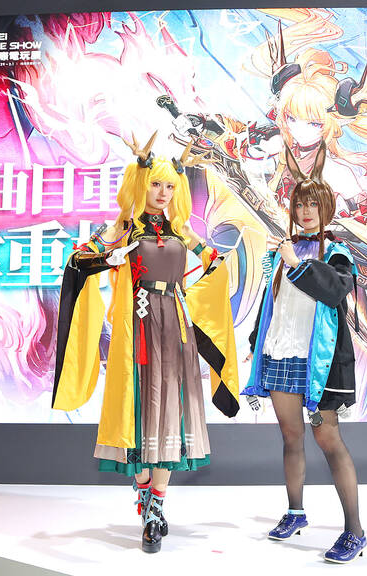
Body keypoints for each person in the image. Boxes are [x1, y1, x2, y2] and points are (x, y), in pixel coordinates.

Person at [52, 134, 239, 554]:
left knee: (171, 412)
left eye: (170, 186)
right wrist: (109, 257)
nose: (163, 193)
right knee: (138, 412)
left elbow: (215, 265)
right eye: (156, 184)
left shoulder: (181, 230)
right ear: (141, 183)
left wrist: (200, 286)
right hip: (137, 327)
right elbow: (78, 260)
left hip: (175, 325)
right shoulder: (125, 227)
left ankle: (155, 508)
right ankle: (144, 496)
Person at [242, 141, 365, 563]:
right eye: (299, 204)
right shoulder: (283, 251)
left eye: (313, 204)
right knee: (291, 436)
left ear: (326, 207)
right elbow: (273, 306)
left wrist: (296, 262)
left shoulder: (337, 253)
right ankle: (295, 512)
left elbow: (335, 291)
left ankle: (355, 531)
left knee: (327, 437)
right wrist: (256, 344)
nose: (305, 211)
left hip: (318, 365)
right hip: (280, 355)